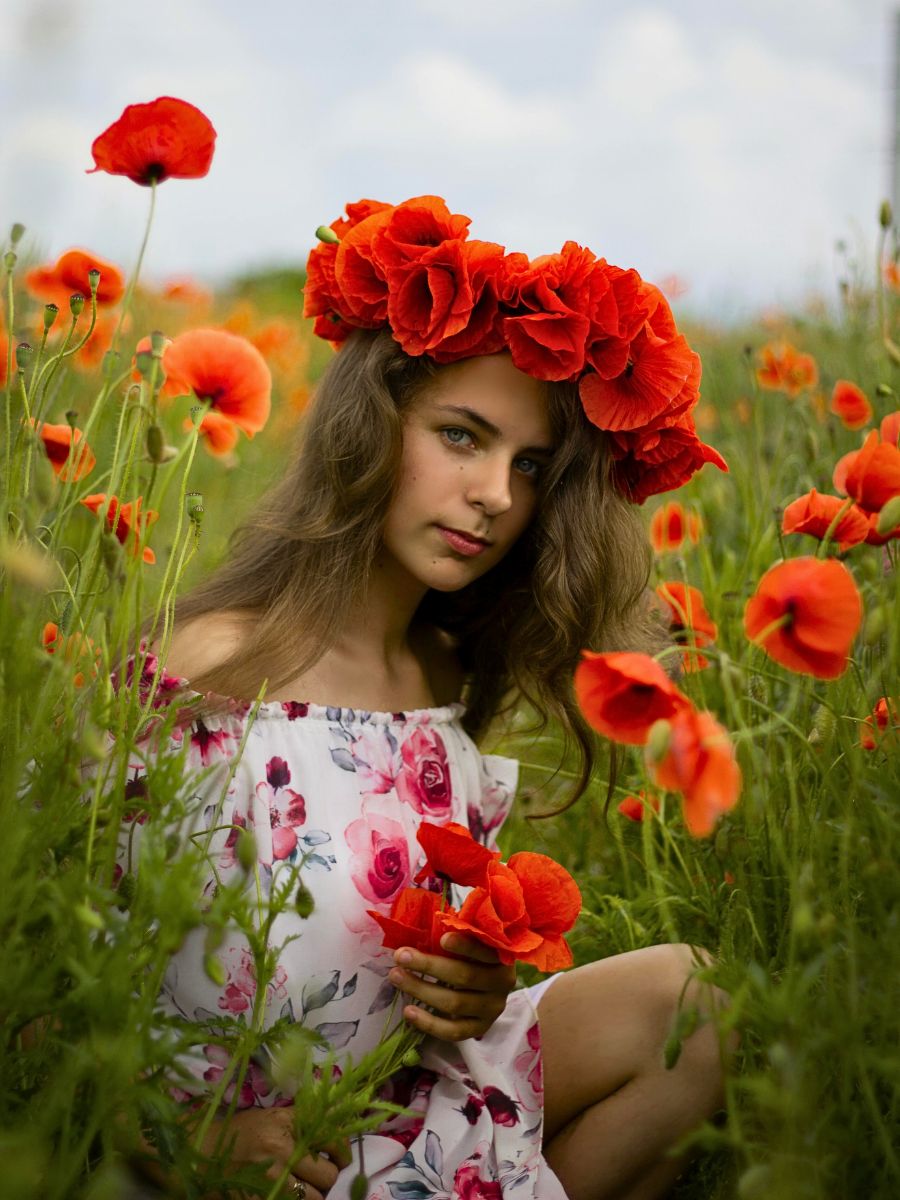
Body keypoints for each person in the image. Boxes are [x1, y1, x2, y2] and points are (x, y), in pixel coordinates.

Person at [127, 196, 732, 1200]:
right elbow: (46, 971)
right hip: (240, 1158)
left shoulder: (445, 688)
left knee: (696, 996)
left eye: (528, 466)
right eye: (462, 436)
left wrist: (475, 985)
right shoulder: (210, 665)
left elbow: (405, 969)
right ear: (370, 428)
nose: (497, 492)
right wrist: (170, 1139)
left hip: (413, 1108)